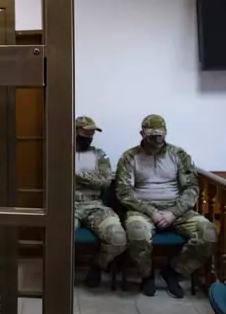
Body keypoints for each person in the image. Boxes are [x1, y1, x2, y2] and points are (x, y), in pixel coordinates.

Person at [116, 114, 217, 298]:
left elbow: (191, 188)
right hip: (143, 208)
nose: (156, 139)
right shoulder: (130, 157)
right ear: (142, 133)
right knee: (137, 232)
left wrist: (174, 212)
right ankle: (147, 276)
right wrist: (151, 212)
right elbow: (124, 192)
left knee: (208, 233)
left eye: (160, 135)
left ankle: (174, 271)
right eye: (152, 135)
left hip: (175, 208)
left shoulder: (178, 155)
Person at [74, 116, 127, 288]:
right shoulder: (59, 152)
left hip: (94, 205)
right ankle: (61, 272)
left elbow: (104, 180)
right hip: (66, 205)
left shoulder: (98, 155)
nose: (89, 136)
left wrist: (76, 173)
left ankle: (98, 266)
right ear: (74, 131)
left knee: (118, 237)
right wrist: (91, 176)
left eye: (92, 133)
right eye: (85, 132)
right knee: (57, 237)